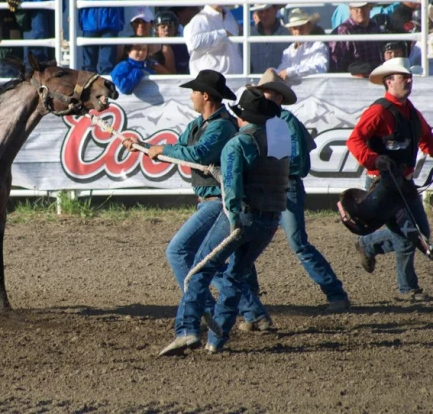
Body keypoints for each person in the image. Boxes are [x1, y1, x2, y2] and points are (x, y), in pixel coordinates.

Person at [122, 70, 267, 338]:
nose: (190, 96)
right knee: (208, 261)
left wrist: (161, 150)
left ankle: (208, 309)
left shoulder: (222, 126)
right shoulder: (199, 125)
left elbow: (197, 154)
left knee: (179, 252)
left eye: (193, 92)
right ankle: (252, 310)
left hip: (217, 200)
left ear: (205, 96)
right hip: (208, 200)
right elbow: (180, 151)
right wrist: (143, 146)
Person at [159, 87, 290, 356]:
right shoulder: (279, 139)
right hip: (270, 220)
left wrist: (232, 221)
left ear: (242, 117)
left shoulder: (238, 143)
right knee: (233, 277)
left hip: (242, 216)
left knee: (198, 271)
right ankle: (216, 341)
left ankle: (187, 331)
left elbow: (231, 188)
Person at [252, 70, 350, 314]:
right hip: (274, 187)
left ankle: (336, 293)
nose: (266, 97)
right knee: (259, 243)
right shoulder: (269, 121)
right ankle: (248, 300)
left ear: (277, 97)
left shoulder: (283, 122)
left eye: (269, 94)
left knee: (296, 243)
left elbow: (296, 163)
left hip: (284, 187)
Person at [348, 57, 433, 301]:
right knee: (410, 235)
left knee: (419, 233)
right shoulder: (378, 111)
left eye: (409, 77)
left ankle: (368, 244)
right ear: (388, 82)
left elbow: (427, 138)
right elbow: (355, 140)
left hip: (402, 183)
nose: (408, 80)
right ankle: (408, 288)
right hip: (383, 185)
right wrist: (374, 160)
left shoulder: (411, 112)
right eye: (402, 77)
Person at [185, 0, 242, 75]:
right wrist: (222, 34)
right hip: (212, 84)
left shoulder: (229, 16)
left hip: (232, 80)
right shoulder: (200, 19)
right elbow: (193, 43)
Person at [330, 0, 385, 73]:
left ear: (370, 7)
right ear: (350, 9)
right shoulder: (344, 31)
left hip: (375, 76)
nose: (360, 11)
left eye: (363, 7)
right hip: (353, 81)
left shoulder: (374, 26)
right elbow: (337, 64)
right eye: (356, 8)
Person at [276, 8, 329, 81]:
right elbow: (282, 70)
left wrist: (291, 71)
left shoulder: (318, 46)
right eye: (295, 28)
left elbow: (321, 67)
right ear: (291, 31)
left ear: (308, 27)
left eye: (301, 27)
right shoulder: (288, 51)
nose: (298, 31)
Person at [249, 0, 289, 73]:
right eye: (260, 11)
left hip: (280, 83)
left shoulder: (287, 34)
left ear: (275, 9)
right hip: (256, 83)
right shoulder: (249, 34)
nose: (264, 15)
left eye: (267, 10)